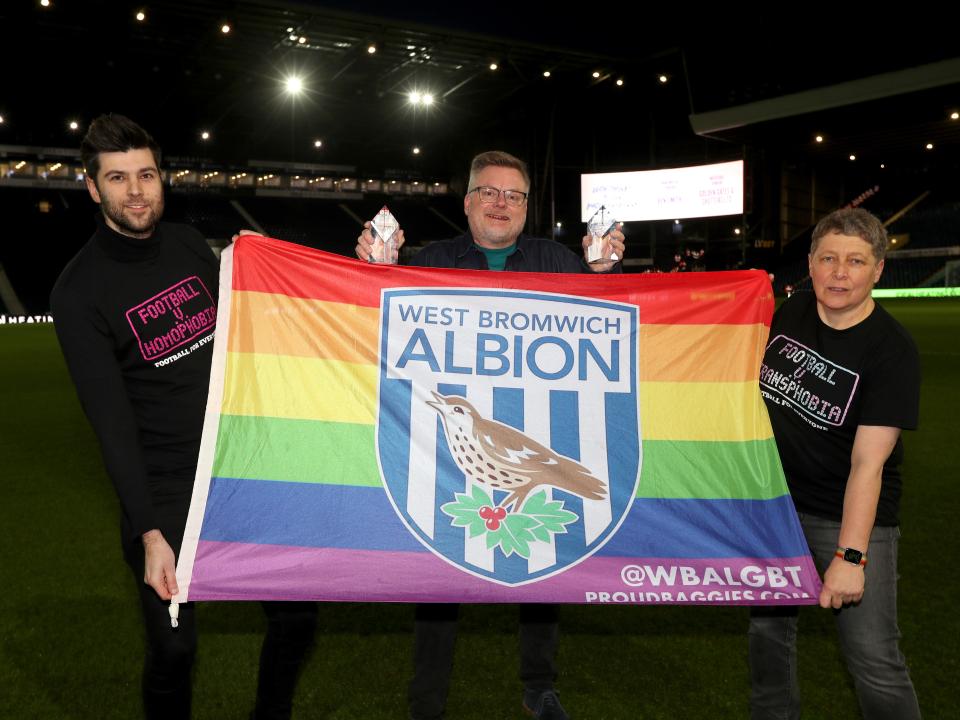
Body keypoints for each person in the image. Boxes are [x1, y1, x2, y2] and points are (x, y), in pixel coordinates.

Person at [50, 114, 317, 720]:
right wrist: (149, 533)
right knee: (173, 648)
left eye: (146, 174)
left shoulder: (189, 243)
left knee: (298, 618)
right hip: (166, 488)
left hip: (241, 464)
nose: (137, 190)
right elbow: (110, 422)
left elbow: (252, 324)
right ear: (93, 188)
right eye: (117, 178)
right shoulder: (77, 292)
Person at [356, 150, 626, 720]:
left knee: (544, 567)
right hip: (444, 451)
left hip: (538, 433)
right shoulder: (431, 260)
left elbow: (617, 320)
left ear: (528, 206)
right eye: (489, 192)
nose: (501, 203)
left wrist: (605, 277)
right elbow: (375, 319)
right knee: (438, 571)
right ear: (469, 201)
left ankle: (539, 685)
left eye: (514, 195)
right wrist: (372, 271)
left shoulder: (560, 262)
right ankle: (425, 697)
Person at [750, 208, 921, 719]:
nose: (839, 273)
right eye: (828, 259)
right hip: (776, 510)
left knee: (872, 657)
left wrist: (850, 558)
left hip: (845, 516)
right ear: (811, 264)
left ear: (878, 270)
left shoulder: (892, 351)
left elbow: (869, 464)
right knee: (767, 637)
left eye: (855, 261)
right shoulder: (790, 313)